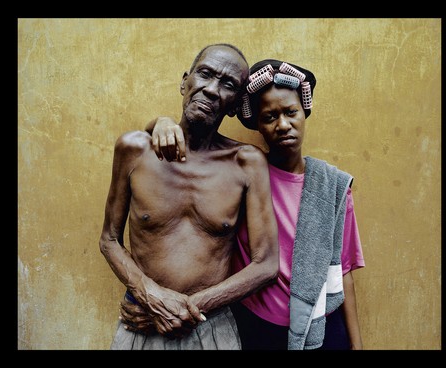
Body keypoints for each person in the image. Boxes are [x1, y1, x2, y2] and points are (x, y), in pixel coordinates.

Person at [123, 59, 366, 350]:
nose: (283, 125)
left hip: (321, 326)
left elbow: (343, 270)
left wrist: (356, 344)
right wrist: (160, 122)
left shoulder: (333, 187)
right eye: (269, 117)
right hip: (256, 326)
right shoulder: (244, 171)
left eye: (291, 112)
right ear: (258, 125)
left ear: (304, 112)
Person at [99, 45, 279, 350]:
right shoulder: (134, 149)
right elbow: (109, 239)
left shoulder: (247, 162)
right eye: (205, 74)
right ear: (186, 81)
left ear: (235, 105)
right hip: (142, 320)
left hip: (210, 325)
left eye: (228, 84)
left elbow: (266, 264)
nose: (211, 89)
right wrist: (149, 294)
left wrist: (186, 308)